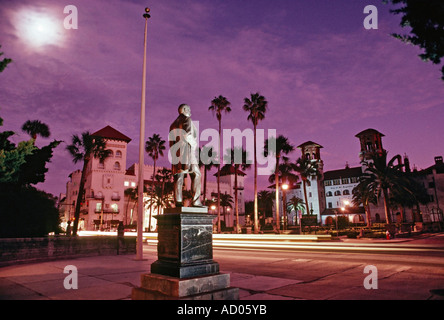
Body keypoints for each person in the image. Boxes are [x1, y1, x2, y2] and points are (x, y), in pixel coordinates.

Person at [169, 104, 204, 207]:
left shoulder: (173, 124)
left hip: (176, 154)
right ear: (184, 110)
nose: (190, 110)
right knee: (196, 174)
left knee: (178, 177)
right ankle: (196, 201)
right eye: (188, 108)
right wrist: (194, 145)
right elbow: (187, 134)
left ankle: (178, 201)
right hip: (187, 152)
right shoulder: (187, 119)